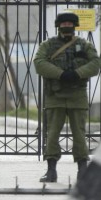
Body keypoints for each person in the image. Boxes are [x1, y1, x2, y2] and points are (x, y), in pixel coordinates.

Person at [34, 11, 101, 183]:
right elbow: (39, 63)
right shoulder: (48, 45)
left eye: (70, 24)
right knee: (52, 134)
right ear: (58, 26)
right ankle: (51, 171)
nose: (66, 26)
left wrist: (77, 73)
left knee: (79, 135)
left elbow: (95, 64)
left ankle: (82, 171)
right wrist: (61, 74)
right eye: (63, 24)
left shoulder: (83, 45)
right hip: (55, 96)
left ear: (75, 25)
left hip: (77, 96)